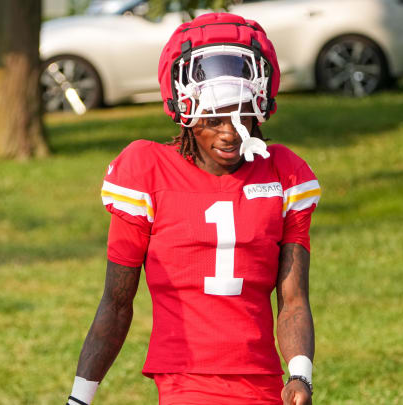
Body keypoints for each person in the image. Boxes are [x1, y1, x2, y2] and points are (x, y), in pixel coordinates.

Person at [66, 13, 320, 405]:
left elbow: (293, 299)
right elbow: (116, 302)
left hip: (265, 380)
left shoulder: (283, 172)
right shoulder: (146, 170)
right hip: (185, 378)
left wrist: (300, 375)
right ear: (184, 112)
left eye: (241, 114)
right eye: (214, 117)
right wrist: (80, 398)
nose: (230, 132)